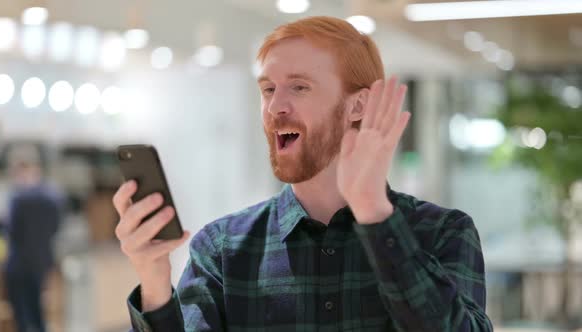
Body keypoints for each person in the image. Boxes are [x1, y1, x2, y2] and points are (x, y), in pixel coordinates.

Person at [113, 16, 493, 331]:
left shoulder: (442, 234)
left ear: (358, 104)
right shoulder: (223, 250)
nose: (275, 106)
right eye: (267, 89)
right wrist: (155, 283)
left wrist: (375, 214)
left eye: (299, 86)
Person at [3, 145, 62, 332]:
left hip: (18, 265)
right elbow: (56, 228)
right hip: (41, 263)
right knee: (38, 313)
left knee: (22, 316)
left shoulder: (18, 199)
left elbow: (11, 231)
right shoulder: (53, 197)